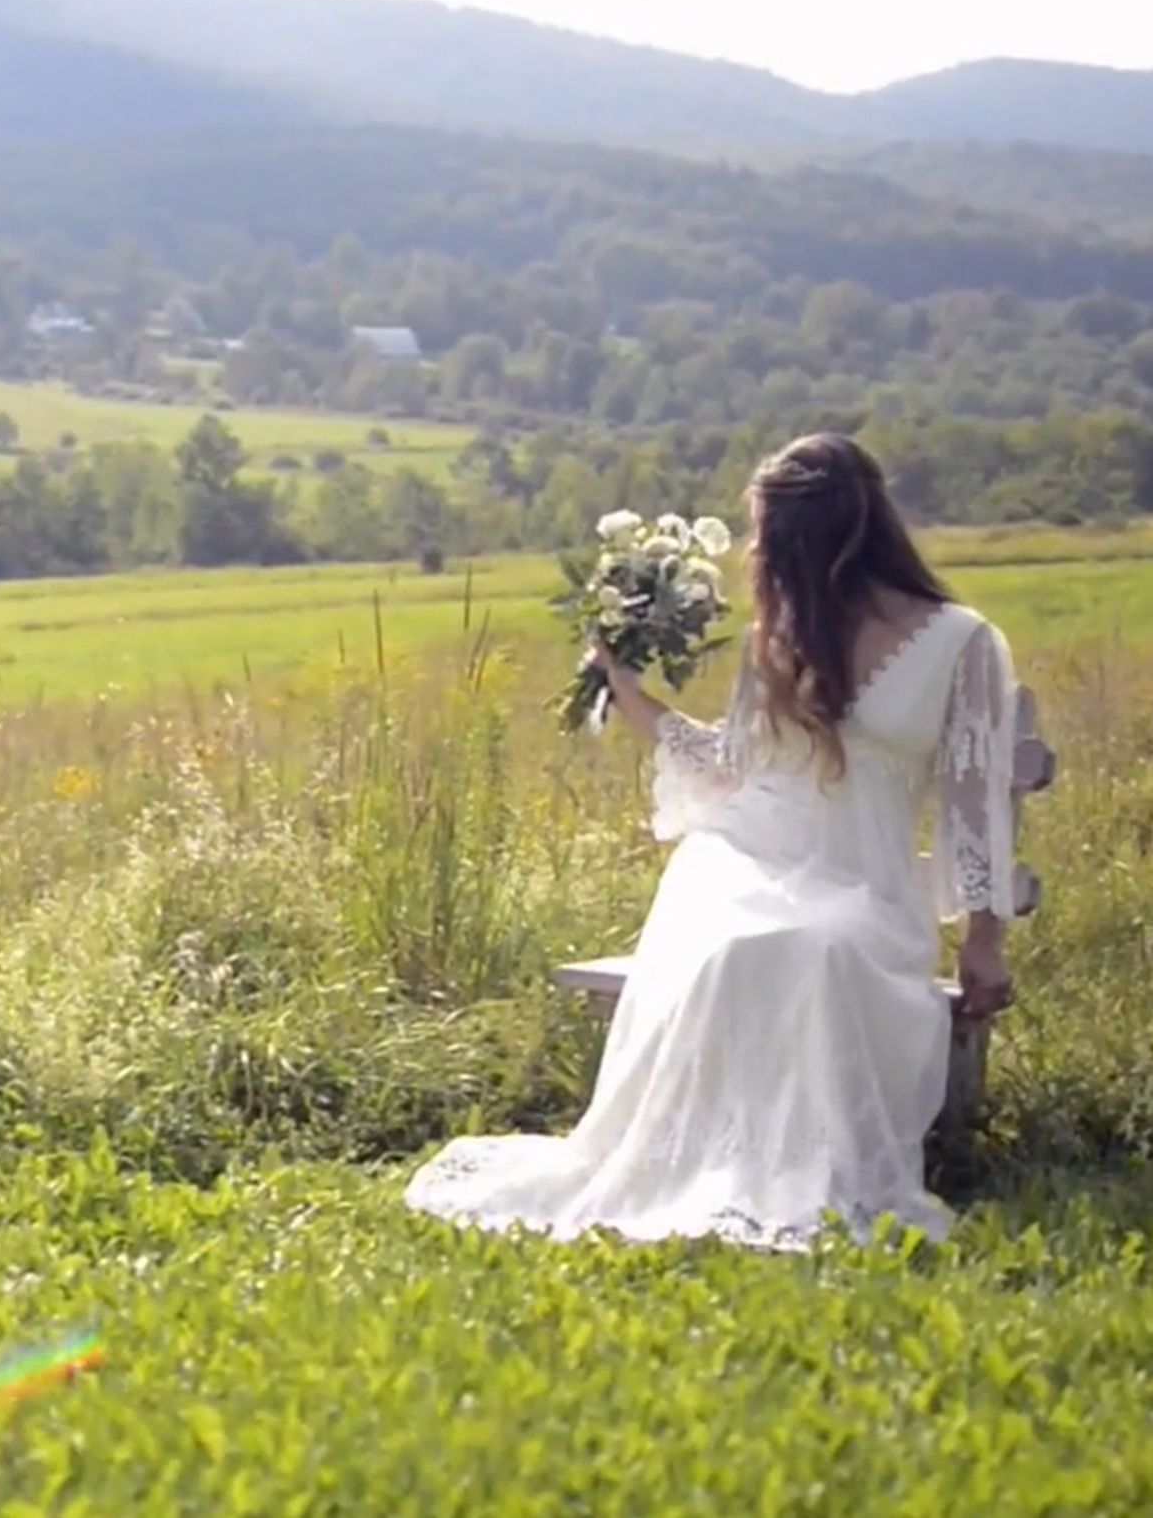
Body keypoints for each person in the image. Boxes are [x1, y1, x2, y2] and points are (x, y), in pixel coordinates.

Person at [404, 433, 1023, 1249]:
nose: (758, 551)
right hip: (749, 857)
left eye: (768, 534)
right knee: (742, 941)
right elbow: (731, 766)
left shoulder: (960, 641)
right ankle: (716, 1168)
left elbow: (978, 801)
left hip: (865, 888)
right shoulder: (781, 632)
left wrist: (984, 939)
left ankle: (813, 1172)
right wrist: (631, 696)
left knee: (822, 947)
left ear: (822, 534)